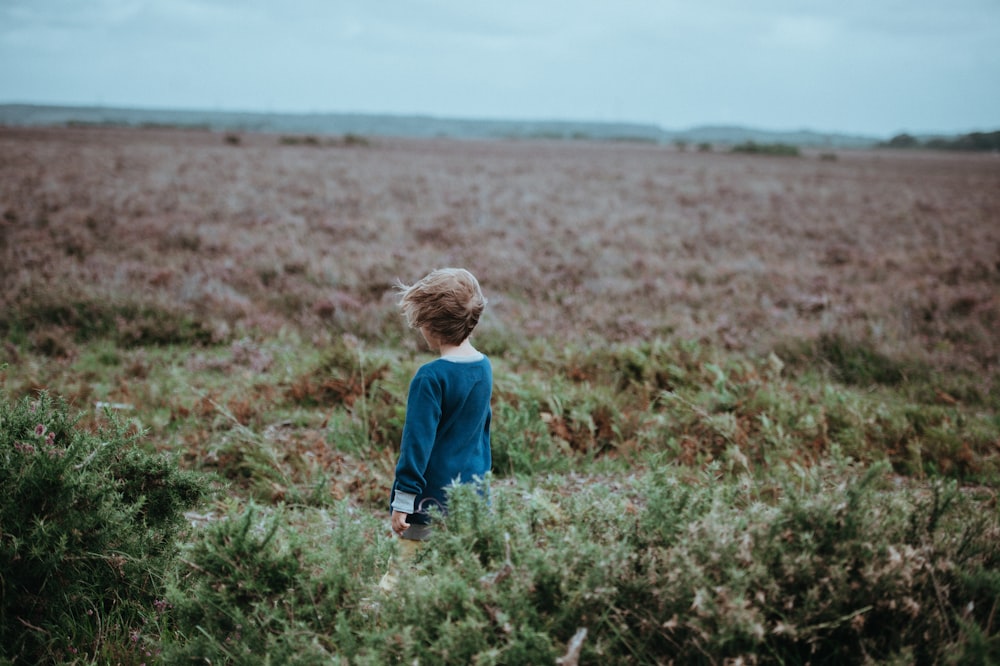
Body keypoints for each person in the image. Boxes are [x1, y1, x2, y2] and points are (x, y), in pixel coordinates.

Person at [389, 267, 492, 543]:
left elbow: (416, 444)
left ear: (429, 325)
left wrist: (403, 500)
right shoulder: (484, 366)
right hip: (471, 500)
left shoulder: (430, 377)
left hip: (428, 503)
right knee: (457, 573)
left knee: (404, 578)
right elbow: (481, 435)